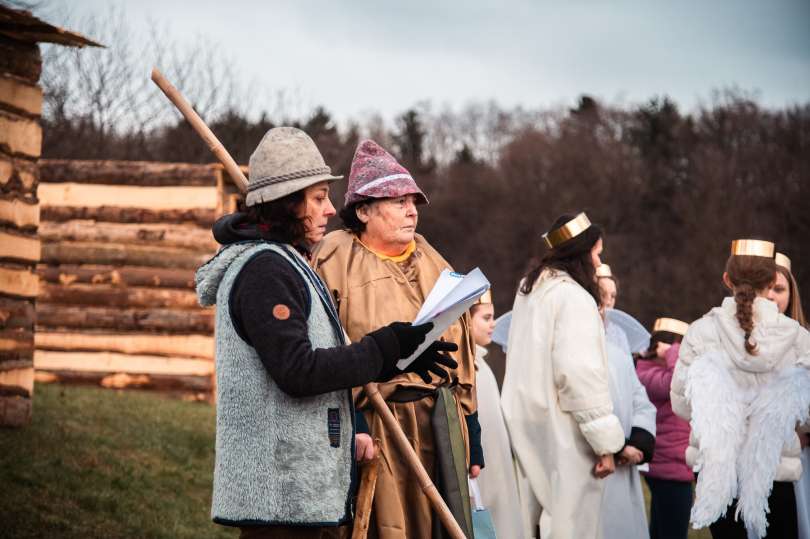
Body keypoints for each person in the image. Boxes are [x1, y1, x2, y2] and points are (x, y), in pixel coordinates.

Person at [195, 127, 457, 539]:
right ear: (286, 203)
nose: (332, 210)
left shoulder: (287, 262)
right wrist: (385, 346)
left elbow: (320, 364)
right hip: (278, 496)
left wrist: (398, 359)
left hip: (296, 492)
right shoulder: (265, 271)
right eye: (318, 198)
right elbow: (298, 371)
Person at [311, 140, 481, 538]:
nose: (411, 210)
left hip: (440, 422)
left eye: (413, 201)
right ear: (364, 211)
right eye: (397, 200)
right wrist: (351, 422)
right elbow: (323, 348)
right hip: (378, 422)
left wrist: (471, 425)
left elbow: (464, 349)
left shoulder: (434, 261)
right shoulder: (335, 260)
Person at [671, 239, 810, 539]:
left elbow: (682, 404)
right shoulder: (798, 338)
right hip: (774, 469)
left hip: (719, 472)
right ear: (772, 281)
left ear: (726, 279)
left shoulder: (699, 332)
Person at [502, 212, 626, 539]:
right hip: (566, 434)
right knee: (570, 525)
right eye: (597, 253)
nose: (600, 263)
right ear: (581, 253)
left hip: (529, 427)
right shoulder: (573, 298)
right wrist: (605, 444)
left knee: (536, 524)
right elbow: (579, 376)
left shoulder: (530, 292)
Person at [597, 264, 657, 539]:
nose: (606, 305)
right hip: (595, 462)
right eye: (600, 298)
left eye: (611, 298)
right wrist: (617, 447)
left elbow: (640, 401)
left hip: (624, 464)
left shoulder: (619, 352)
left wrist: (638, 442)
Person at [469, 290, 525, 539]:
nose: (493, 324)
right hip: (482, 475)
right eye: (486, 317)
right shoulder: (464, 371)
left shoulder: (484, 367)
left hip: (499, 469)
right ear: (465, 320)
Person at [635, 318, 693, 539]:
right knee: (672, 531)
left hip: (674, 464)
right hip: (668, 466)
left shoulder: (666, 368)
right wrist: (673, 352)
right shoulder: (645, 372)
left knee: (662, 529)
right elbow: (674, 383)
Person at [768, 252, 810, 539]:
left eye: (779, 289)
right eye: (765, 288)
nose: (771, 296)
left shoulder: (804, 341)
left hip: (801, 454)